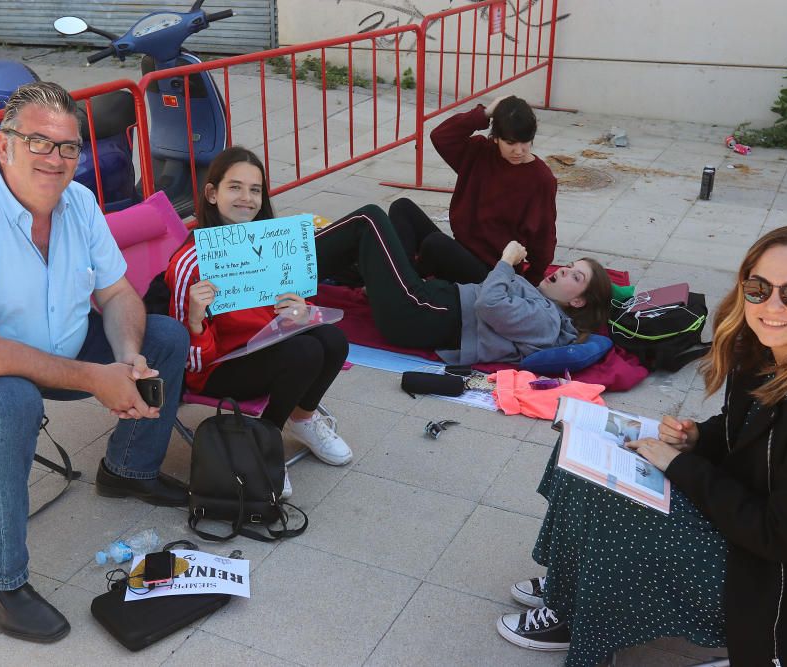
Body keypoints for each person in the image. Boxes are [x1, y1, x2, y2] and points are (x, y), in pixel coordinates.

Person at [0, 82, 190, 644]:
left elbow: (120, 293)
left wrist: (126, 360)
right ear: (4, 146)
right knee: (10, 400)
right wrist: (95, 379)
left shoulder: (78, 201)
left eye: (69, 147)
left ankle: (127, 472)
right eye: (39, 142)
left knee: (165, 337)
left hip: (55, 346)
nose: (56, 159)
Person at [499, 225, 787, 667]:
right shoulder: (765, 350)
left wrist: (682, 465)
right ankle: (568, 590)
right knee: (582, 448)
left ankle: (581, 626)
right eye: (758, 287)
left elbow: (778, 537)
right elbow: (751, 431)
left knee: (619, 522)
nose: (771, 305)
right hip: (743, 521)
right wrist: (700, 437)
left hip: (782, 578)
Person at [165, 146, 353, 473]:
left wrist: (300, 312)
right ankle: (264, 441)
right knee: (305, 352)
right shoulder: (189, 263)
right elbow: (188, 366)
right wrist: (195, 320)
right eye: (235, 187)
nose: (247, 199)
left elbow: (294, 310)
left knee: (333, 339)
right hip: (215, 368)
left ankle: (303, 419)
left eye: (255, 190)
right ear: (211, 193)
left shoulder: (272, 244)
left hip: (265, 347)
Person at [315, 204, 609, 365]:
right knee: (401, 209)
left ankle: (281, 268)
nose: (565, 271)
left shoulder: (547, 323)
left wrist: (506, 262)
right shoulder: (543, 309)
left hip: (419, 313)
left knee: (370, 218)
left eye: (576, 276)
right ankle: (379, 275)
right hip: (428, 305)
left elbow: (489, 304)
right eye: (570, 266)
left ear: (578, 302)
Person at [389, 95, 557, 285]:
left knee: (435, 244)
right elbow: (441, 136)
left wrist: (532, 282)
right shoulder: (479, 152)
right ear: (495, 139)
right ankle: (401, 277)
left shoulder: (541, 179)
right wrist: (484, 113)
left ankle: (401, 281)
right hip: (460, 251)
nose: (519, 151)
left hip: (494, 271)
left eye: (525, 142)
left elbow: (544, 236)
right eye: (510, 143)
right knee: (401, 207)